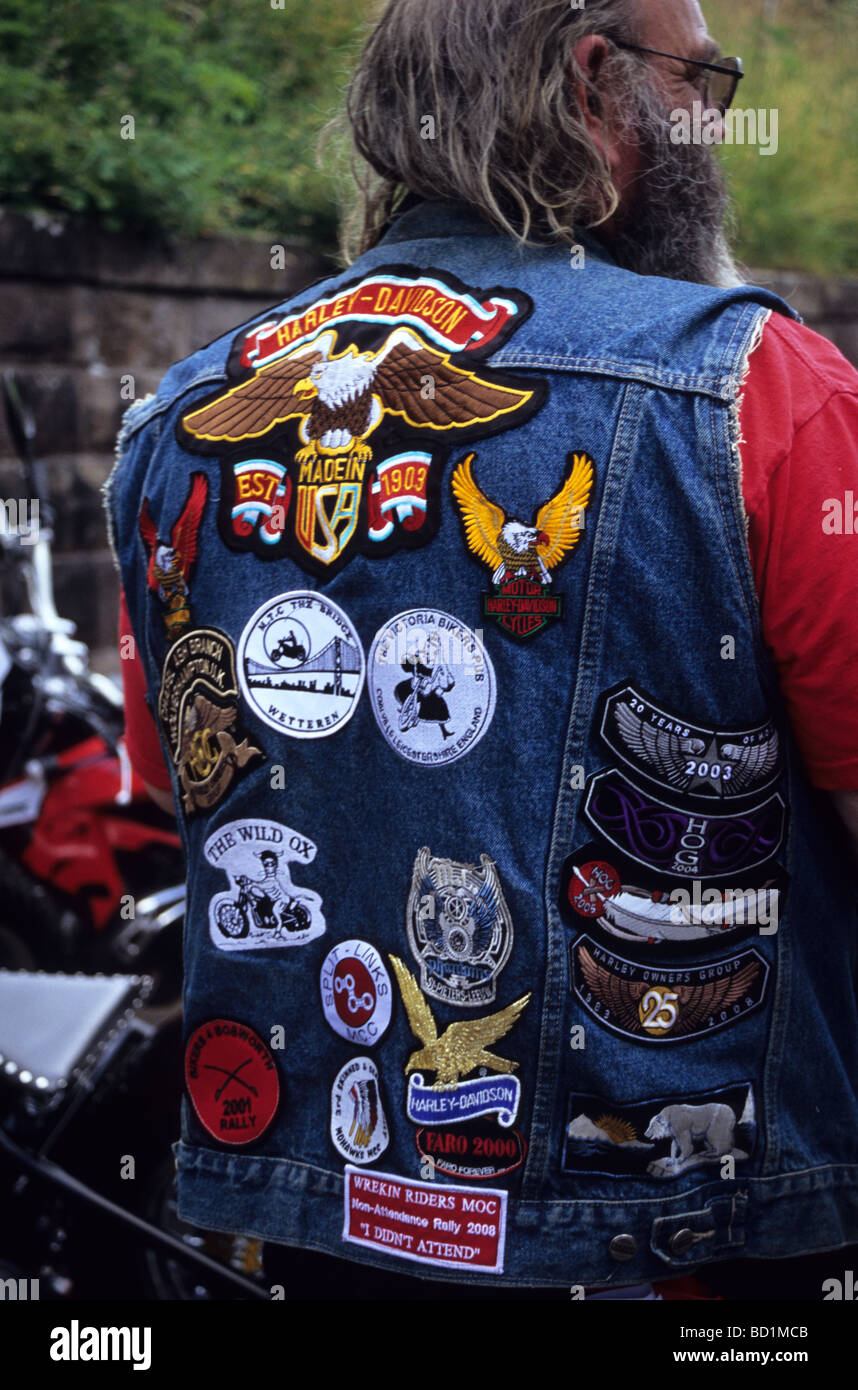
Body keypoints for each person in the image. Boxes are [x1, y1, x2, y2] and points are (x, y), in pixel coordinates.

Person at [106, 0, 858, 1299]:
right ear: (593, 86)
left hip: (315, 1226)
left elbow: (183, 790)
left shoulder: (175, 421)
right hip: (704, 1251)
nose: (712, 127)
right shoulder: (769, 395)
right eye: (701, 82)